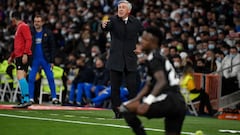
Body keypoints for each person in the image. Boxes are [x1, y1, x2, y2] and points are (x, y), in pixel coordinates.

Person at [119, 27, 186, 135]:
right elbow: (149, 84)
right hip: (179, 102)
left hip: (169, 99)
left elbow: (161, 81)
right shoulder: (158, 57)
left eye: (145, 39)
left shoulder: (154, 57)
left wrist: (147, 102)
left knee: (126, 108)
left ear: (153, 42)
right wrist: (136, 99)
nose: (141, 41)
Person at [101, 0, 143, 118]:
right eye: (119, 7)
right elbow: (106, 26)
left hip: (130, 59)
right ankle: (117, 111)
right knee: (115, 88)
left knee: (132, 87)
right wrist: (103, 25)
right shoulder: (113, 20)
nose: (120, 9)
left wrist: (141, 46)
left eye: (123, 7)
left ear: (128, 10)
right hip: (116, 60)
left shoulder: (135, 22)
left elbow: (145, 35)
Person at [28, 15, 59, 104]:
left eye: (38, 21)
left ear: (42, 22)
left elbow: (53, 47)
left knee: (50, 77)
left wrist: (52, 60)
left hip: (45, 59)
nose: (36, 23)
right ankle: (31, 98)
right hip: (34, 59)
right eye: (35, 21)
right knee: (31, 78)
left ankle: (54, 97)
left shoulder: (48, 33)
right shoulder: (31, 33)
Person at [8, 12, 32, 108]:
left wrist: (25, 53)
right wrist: (12, 56)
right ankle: (24, 100)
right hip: (19, 55)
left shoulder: (23, 26)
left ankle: (26, 99)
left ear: (13, 19)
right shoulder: (19, 28)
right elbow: (18, 45)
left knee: (20, 76)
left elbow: (29, 39)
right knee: (22, 77)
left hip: (22, 55)